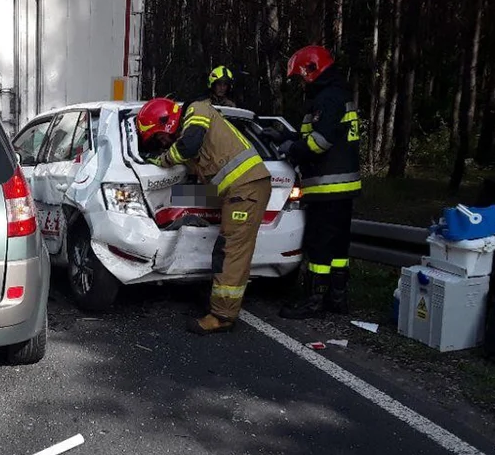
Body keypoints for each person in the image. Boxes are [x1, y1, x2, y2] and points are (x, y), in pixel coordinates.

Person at [137, 96, 272, 334]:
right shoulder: (194, 132)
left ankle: (222, 315)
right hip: (233, 191)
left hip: (245, 189)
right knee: (227, 249)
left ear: (166, 123)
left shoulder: (197, 111)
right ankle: (218, 302)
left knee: (231, 251)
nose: (164, 143)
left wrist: (162, 160)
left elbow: (187, 146)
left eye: (160, 137)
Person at [278, 45, 362, 319]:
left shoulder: (325, 99)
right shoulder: (340, 95)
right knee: (338, 248)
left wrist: (291, 148)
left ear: (311, 70)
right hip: (343, 187)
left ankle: (313, 302)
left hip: (326, 186)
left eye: (301, 76)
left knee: (319, 247)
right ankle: (337, 300)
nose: (301, 82)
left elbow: (319, 142)